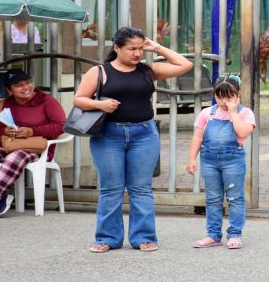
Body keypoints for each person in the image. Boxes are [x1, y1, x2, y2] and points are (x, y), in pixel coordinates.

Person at [74, 27, 192, 253]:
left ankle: (144, 237)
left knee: (141, 189)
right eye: (131, 49)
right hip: (109, 135)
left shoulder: (148, 70)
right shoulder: (100, 71)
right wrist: (100, 104)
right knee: (111, 189)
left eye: (140, 48)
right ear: (117, 48)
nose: (137, 53)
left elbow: (184, 65)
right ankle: (107, 238)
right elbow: (79, 99)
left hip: (144, 134)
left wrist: (156, 47)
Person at [0, 68, 66, 220]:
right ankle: (0, 195)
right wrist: (4, 131)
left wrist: (32, 131)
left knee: (14, 157)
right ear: (9, 90)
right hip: (7, 145)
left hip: (34, 149)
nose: (26, 87)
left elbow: (61, 125)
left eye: (28, 83)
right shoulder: (3, 104)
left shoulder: (46, 101)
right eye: (19, 85)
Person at [186, 74, 256, 250]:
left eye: (229, 96)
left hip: (233, 160)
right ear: (214, 95)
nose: (224, 101)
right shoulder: (207, 113)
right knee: (212, 199)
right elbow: (197, 136)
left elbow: (243, 133)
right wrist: (192, 158)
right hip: (209, 160)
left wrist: (233, 113)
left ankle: (235, 235)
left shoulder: (245, 113)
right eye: (220, 96)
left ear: (238, 94)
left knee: (235, 198)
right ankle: (213, 235)